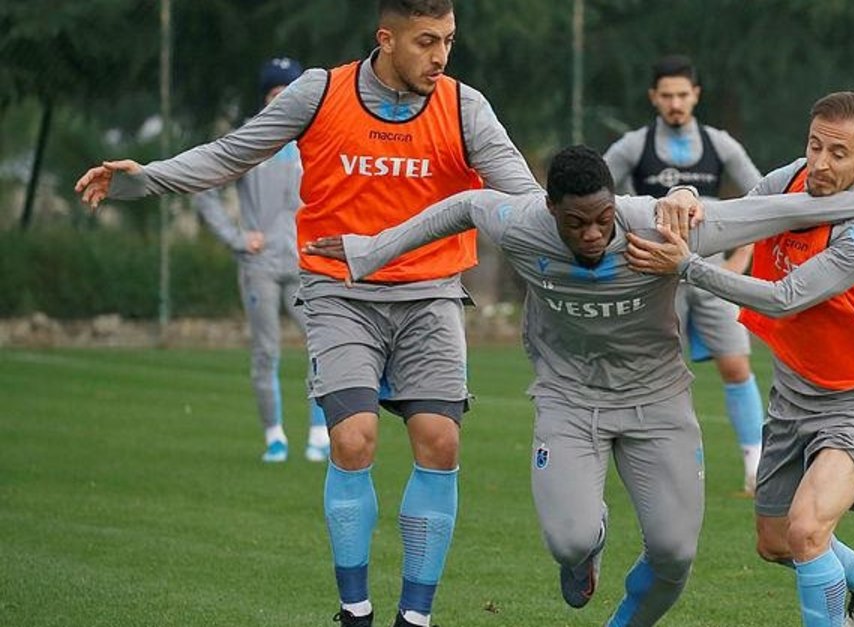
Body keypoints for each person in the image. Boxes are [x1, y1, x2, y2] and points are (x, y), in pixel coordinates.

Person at [303, 145, 854, 626]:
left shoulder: (660, 226)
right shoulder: (521, 223)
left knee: (675, 555)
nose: (594, 234)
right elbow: (463, 205)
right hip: (568, 400)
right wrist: (371, 250)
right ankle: (585, 553)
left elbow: (779, 210)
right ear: (551, 212)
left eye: (603, 220)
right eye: (577, 224)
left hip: (658, 402)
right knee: (569, 540)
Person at [75, 2, 548, 625]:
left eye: (449, 41)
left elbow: (526, 198)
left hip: (431, 292)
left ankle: (415, 617)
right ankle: (355, 612)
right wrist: (146, 179)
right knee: (352, 438)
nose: (440, 56)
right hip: (338, 291)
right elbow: (232, 153)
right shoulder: (320, 92)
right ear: (387, 39)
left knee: (440, 441)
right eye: (426, 41)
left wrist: (595, 228)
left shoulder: (466, 107)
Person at [625, 91, 854, 627]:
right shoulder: (789, 181)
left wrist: (687, 267)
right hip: (794, 388)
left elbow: (785, 297)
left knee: (807, 531)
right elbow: (734, 216)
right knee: (776, 541)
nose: (820, 163)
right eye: (815, 146)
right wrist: (685, 195)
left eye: (838, 152)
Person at [604, 54, 765, 494]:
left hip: (711, 275)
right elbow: (595, 195)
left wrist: (740, 260)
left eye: (682, 95)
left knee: (736, 365)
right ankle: (652, 463)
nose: (675, 103)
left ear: (696, 95)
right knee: (654, 370)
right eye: (667, 95)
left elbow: (762, 199)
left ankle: (757, 465)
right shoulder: (632, 147)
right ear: (653, 98)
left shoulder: (720, 144)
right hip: (654, 277)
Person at [191, 57, 329, 464]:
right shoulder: (250, 139)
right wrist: (236, 237)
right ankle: (274, 437)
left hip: (306, 263)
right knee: (266, 351)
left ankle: (320, 433)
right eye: (275, 93)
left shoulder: (316, 139)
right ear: (266, 98)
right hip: (260, 266)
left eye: (290, 92)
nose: (283, 99)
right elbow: (205, 190)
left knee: (324, 345)